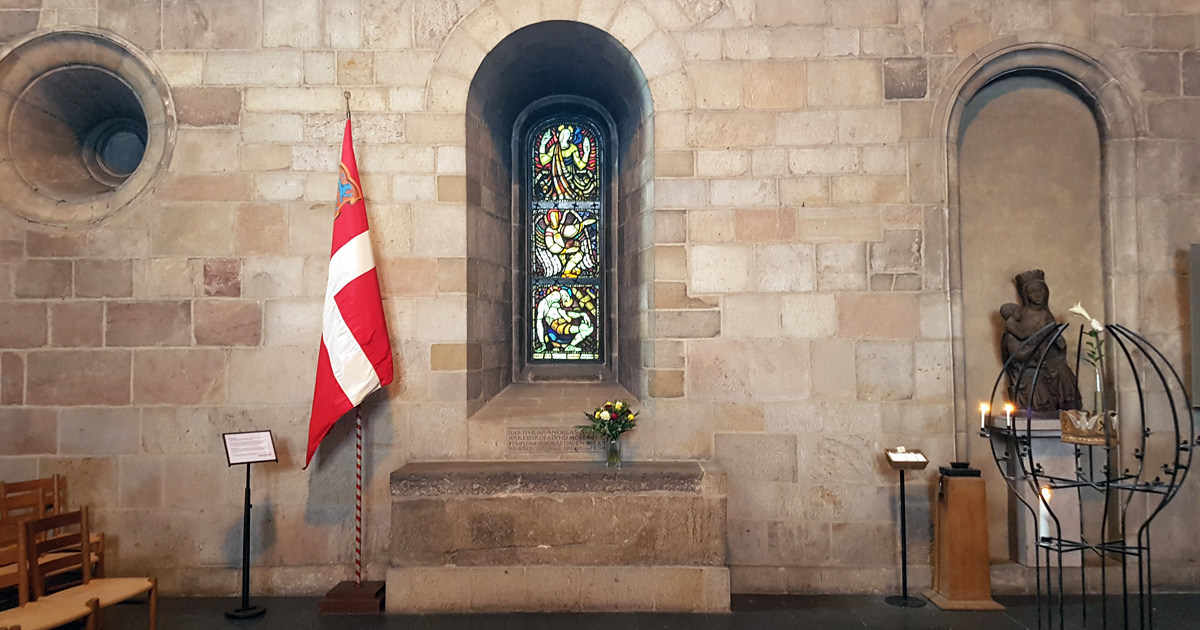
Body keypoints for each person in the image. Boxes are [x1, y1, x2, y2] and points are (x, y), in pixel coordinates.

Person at [999, 270, 1082, 413]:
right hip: (1029, 363)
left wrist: (1057, 339)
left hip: (1049, 359)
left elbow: (1056, 341)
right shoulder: (1020, 316)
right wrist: (1037, 340)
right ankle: (1041, 408)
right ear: (1026, 295)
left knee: (1063, 372)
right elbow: (1017, 343)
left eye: (1040, 291)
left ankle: (1068, 410)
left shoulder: (1047, 314)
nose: (1037, 295)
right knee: (1033, 377)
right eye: (1032, 292)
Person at [534, 286, 595, 354]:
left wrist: (582, 314)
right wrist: (542, 343)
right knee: (585, 328)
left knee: (589, 328)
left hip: (563, 323)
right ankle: (570, 345)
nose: (564, 300)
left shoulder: (555, 302)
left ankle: (571, 346)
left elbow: (566, 314)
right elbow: (539, 324)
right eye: (563, 296)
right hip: (558, 327)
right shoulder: (543, 305)